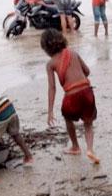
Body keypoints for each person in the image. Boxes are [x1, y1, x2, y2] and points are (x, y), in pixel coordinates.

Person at [41, 29, 100, 164]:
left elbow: (52, 88)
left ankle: (75, 146)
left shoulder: (50, 64)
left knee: (68, 118)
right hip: (87, 91)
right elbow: (87, 71)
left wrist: (50, 111)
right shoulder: (73, 53)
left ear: (45, 48)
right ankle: (90, 149)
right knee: (88, 124)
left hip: (71, 96)